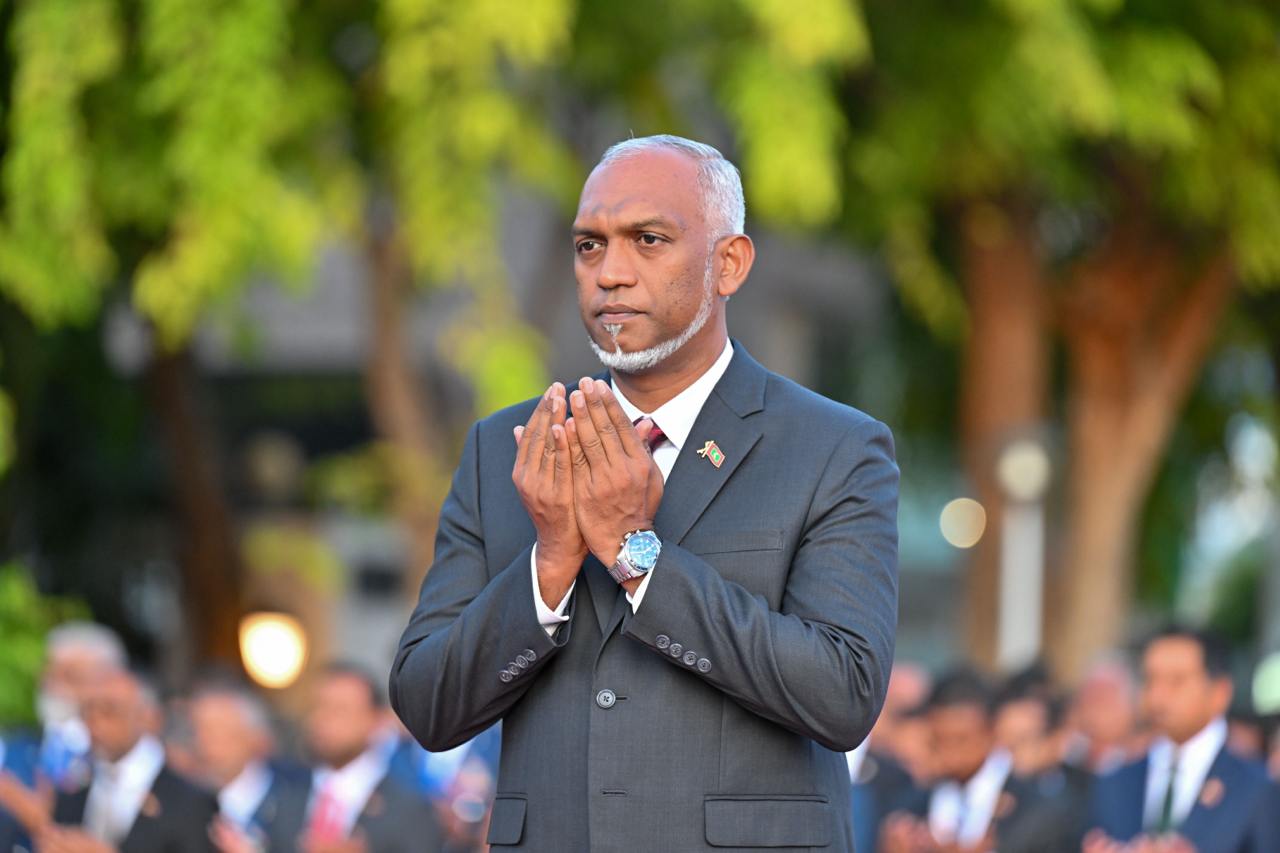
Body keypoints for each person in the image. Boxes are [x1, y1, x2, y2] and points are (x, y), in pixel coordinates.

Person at [390, 134, 899, 851]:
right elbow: (426, 705)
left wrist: (636, 554)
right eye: (588, 246)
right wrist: (550, 563)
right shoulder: (510, 447)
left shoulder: (832, 447)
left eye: (648, 240)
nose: (610, 273)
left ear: (729, 264)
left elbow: (844, 695)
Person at [1086, 627, 1280, 853]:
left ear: (1220, 692)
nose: (1158, 696)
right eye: (1150, 680)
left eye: (1176, 681)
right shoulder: (1115, 781)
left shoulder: (1256, 788)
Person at [880, 668, 1066, 853]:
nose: (950, 756)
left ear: (991, 732)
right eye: (938, 741)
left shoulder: (1038, 809)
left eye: (961, 741)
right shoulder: (909, 807)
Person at [300, 665, 442, 852]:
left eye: (340, 710)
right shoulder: (283, 792)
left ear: (376, 720)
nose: (323, 718)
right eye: (318, 706)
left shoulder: (410, 809)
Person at [188, 682, 309, 853]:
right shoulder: (183, 801)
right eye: (198, 730)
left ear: (255, 738)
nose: (204, 743)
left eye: (220, 731)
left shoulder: (297, 801)